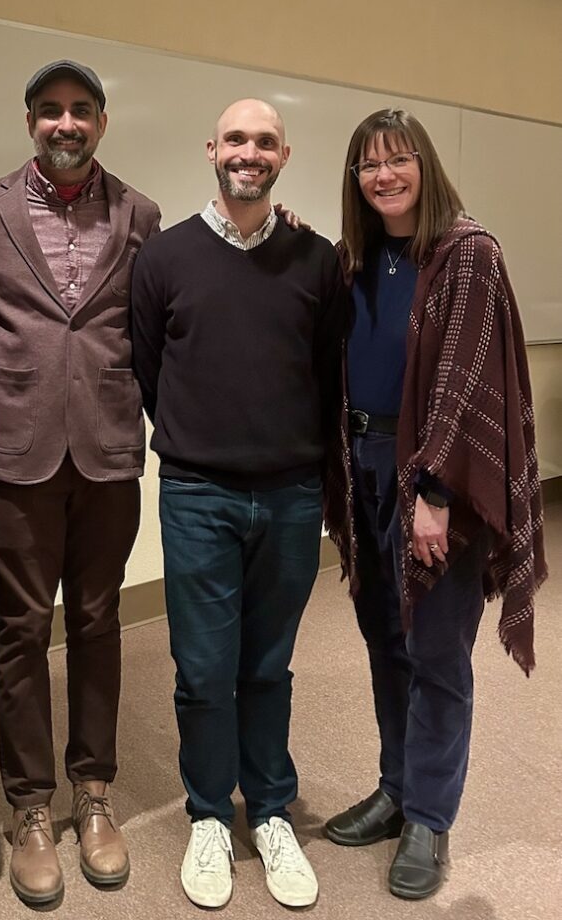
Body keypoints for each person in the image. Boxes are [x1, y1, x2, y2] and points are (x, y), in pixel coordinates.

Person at [322, 108, 547, 899]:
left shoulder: (467, 254)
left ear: (425, 166)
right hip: (363, 463)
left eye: (398, 160)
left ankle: (429, 817)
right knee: (386, 637)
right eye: (368, 165)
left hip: (433, 477)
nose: (383, 175)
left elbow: (463, 384)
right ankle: (395, 787)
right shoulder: (356, 256)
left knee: (438, 652)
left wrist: (435, 493)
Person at [131, 99, 346, 911]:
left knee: (266, 665)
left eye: (263, 141)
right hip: (197, 495)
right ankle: (207, 814)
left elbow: (327, 371)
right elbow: (149, 367)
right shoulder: (163, 257)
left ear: (283, 155)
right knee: (201, 669)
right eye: (234, 139)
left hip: (291, 495)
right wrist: (200, 439)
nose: (247, 153)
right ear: (210, 149)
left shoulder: (317, 259)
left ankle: (272, 809)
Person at [0, 60, 161, 906]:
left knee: (99, 619)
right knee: (20, 630)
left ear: (102, 122)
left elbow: (164, 313)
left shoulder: (142, 214)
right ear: (30, 121)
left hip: (109, 449)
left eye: (80, 110)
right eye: (49, 111)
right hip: (18, 450)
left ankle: (94, 793)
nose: (65, 123)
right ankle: (30, 808)